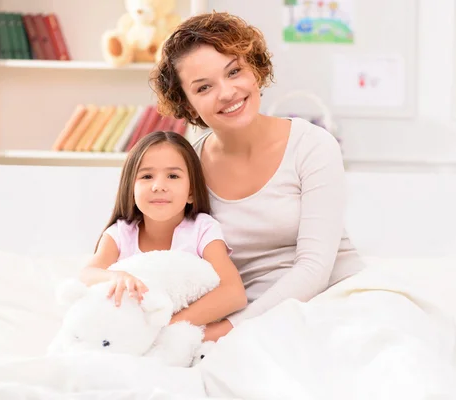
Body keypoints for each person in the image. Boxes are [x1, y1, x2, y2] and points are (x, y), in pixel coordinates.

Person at [150, 11, 365, 342]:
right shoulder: (186, 167)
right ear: (189, 106)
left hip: (334, 300)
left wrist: (230, 331)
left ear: (255, 69)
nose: (227, 92)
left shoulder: (313, 145)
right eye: (204, 87)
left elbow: (314, 269)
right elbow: (166, 255)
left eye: (234, 71)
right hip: (249, 320)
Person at [78, 131, 247, 341]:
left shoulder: (202, 229)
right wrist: (116, 276)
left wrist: (164, 328)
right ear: (131, 189)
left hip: (175, 333)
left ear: (191, 192)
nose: (159, 186)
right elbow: (87, 275)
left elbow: (234, 293)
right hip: (131, 335)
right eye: (147, 176)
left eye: (173, 176)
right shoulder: (121, 233)